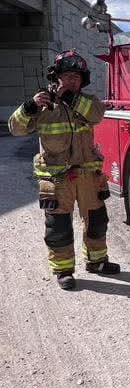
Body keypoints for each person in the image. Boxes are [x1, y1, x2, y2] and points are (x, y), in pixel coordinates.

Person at [7, 49, 120, 290]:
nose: (72, 80)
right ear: (56, 77)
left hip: (89, 177)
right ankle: (64, 269)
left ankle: (97, 261)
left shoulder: (87, 103)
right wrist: (29, 107)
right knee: (58, 226)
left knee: (97, 221)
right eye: (67, 76)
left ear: (83, 80)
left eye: (76, 77)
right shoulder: (42, 105)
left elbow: (98, 114)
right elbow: (15, 128)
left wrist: (71, 99)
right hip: (57, 179)